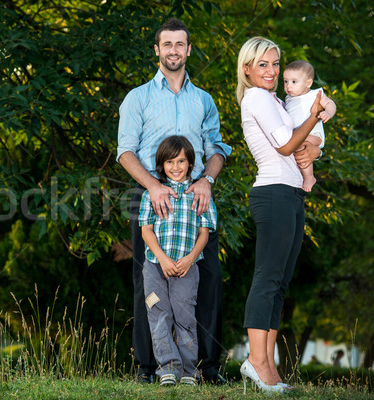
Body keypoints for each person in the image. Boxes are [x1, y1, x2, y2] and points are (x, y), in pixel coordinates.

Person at [117, 17, 232, 384]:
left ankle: (205, 367)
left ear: (188, 49)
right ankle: (148, 367)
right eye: (167, 44)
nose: (173, 50)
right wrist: (153, 186)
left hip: (195, 198)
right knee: (148, 280)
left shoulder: (204, 100)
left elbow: (216, 150)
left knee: (208, 279)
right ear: (157, 50)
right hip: (152, 194)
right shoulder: (138, 97)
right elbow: (125, 152)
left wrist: (208, 181)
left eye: (179, 44)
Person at [236, 36, 325, 394]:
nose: (272, 71)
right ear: (247, 69)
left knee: (280, 283)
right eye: (263, 65)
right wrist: (315, 117)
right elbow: (287, 144)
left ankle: (268, 365)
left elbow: (303, 141)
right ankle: (256, 361)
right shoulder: (257, 97)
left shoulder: (275, 97)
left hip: (288, 193)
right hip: (273, 193)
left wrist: (315, 144)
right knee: (268, 279)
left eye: (275, 64)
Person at [138, 135, 217, 387]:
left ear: (190, 163)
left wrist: (191, 258)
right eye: (170, 161)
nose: (175, 167)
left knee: (185, 316)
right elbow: (146, 230)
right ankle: (167, 369)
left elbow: (204, 233)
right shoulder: (152, 194)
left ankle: (188, 372)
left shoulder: (199, 194)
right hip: (155, 265)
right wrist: (161, 259)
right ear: (161, 165)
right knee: (158, 313)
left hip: (186, 267)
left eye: (181, 161)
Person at [283, 60, 337, 192]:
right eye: (285, 81)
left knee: (299, 145)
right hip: (300, 133)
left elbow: (331, 104)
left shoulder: (314, 95)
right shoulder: (288, 99)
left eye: (294, 82)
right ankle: (302, 175)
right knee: (297, 147)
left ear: (308, 83)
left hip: (313, 134)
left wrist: (327, 113)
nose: (288, 86)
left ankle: (309, 177)